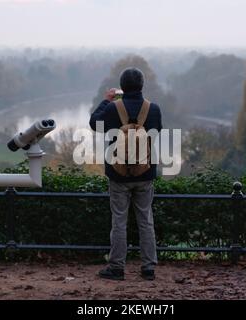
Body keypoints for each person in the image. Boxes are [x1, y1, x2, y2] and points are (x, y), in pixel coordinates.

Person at [90, 67, 163, 281]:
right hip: (145, 172)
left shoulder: (113, 109)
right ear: (142, 86)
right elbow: (156, 132)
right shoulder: (154, 109)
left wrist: (107, 100)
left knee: (119, 221)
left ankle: (116, 268)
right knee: (146, 221)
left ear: (122, 87)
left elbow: (94, 123)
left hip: (118, 174)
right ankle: (148, 267)